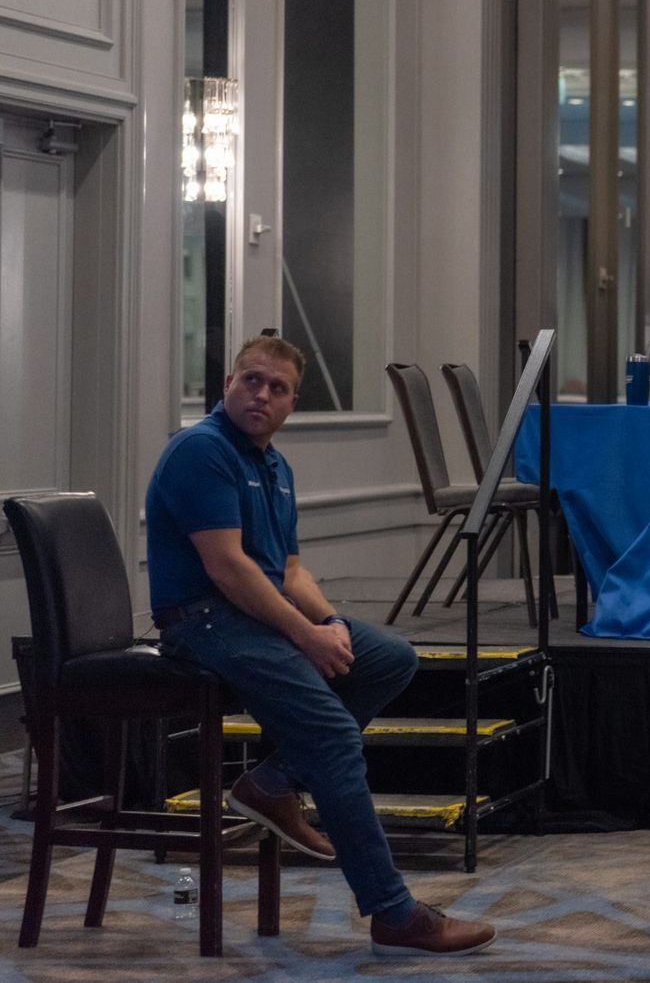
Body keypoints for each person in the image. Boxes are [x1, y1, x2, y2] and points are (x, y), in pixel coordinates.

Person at [146, 336, 496, 956]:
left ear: (291, 403)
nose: (261, 395)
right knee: (332, 734)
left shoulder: (275, 466)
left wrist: (330, 623)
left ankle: (274, 781)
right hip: (198, 619)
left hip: (246, 614)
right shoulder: (200, 451)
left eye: (277, 388)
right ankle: (392, 911)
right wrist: (303, 635)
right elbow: (229, 570)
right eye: (252, 380)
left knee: (390, 656)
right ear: (228, 383)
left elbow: (289, 574)